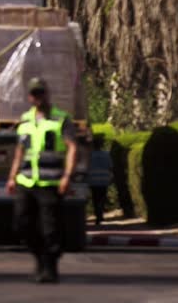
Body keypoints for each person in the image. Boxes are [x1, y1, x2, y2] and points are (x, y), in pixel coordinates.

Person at [6, 78, 78, 284]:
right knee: (22, 224)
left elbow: (72, 147)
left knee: (50, 228)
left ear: (48, 94)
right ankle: (40, 257)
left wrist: (67, 176)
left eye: (41, 93)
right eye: (34, 94)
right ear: (30, 97)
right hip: (26, 181)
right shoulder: (26, 120)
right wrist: (12, 177)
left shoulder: (61, 119)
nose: (38, 98)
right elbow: (20, 152)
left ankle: (50, 265)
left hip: (51, 183)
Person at [87, 137, 113, 225]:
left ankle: (98, 215)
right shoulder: (106, 154)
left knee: (95, 199)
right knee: (102, 198)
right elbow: (110, 167)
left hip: (93, 180)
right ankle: (100, 215)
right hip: (104, 180)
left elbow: (86, 167)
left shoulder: (89, 155)